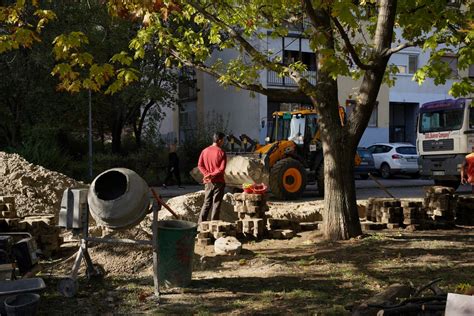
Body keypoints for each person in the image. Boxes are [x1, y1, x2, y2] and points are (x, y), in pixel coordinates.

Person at [197, 132, 227, 223]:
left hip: (208, 182)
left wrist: (207, 174)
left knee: (206, 203)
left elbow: (200, 165)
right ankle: (214, 225)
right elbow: (221, 169)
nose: (223, 142)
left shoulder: (204, 151)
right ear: (219, 140)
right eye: (223, 140)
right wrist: (212, 174)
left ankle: (200, 224)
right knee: (216, 204)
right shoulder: (221, 152)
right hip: (219, 182)